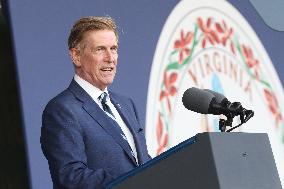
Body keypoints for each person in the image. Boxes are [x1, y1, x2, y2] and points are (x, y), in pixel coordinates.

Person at [41, 16, 151, 189]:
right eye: (100, 49)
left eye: (113, 49)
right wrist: (132, 182)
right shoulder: (62, 110)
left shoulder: (126, 104)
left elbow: (143, 164)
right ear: (76, 56)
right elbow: (71, 176)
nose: (110, 58)